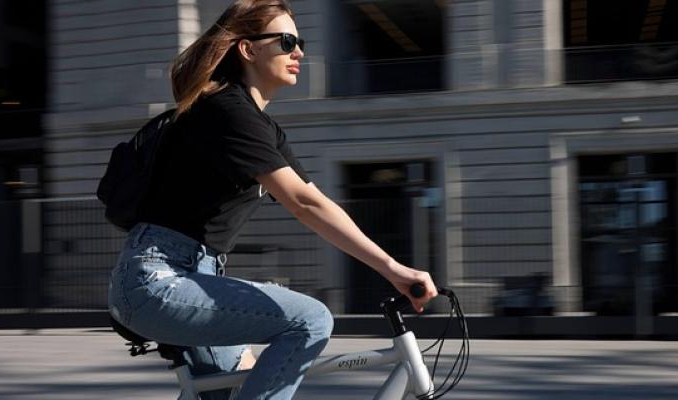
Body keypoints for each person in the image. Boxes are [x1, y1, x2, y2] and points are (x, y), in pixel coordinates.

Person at [106, 1, 438, 399]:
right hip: (159, 279)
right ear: (248, 49)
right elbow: (304, 204)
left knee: (230, 389)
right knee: (311, 320)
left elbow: (316, 201)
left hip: (194, 277)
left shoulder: (261, 128)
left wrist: (391, 267)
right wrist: (394, 269)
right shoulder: (225, 109)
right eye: (286, 41)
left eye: (300, 42)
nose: (299, 52)